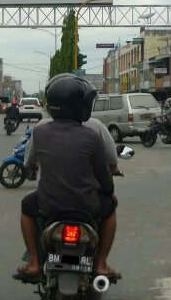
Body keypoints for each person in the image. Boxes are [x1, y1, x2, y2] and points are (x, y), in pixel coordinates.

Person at [15, 74, 119, 280]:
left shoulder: (40, 132)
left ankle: (34, 263)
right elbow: (104, 177)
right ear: (78, 106)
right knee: (111, 208)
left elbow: (28, 164)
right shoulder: (92, 135)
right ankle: (101, 264)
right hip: (86, 206)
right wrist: (109, 194)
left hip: (48, 205)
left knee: (26, 207)